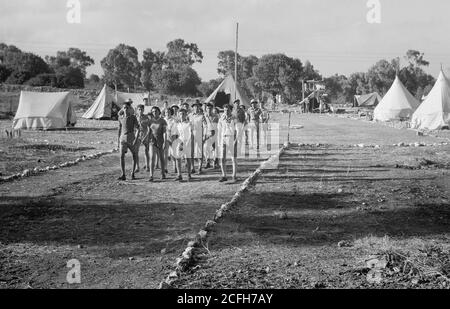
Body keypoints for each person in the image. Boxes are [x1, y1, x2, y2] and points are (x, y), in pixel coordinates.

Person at [117, 99, 140, 181]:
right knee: (121, 156)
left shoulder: (133, 117)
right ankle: (123, 174)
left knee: (134, 155)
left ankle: (132, 173)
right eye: (124, 108)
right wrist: (118, 140)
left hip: (131, 137)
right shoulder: (120, 118)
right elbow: (119, 129)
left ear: (130, 108)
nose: (125, 109)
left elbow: (138, 128)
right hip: (122, 138)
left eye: (127, 107)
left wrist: (136, 139)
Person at [218, 103, 237, 183]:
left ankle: (234, 175)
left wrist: (236, 140)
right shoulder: (221, 118)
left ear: (231, 110)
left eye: (228, 110)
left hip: (231, 137)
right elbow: (219, 130)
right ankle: (224, 175)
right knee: (222, 158)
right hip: (223, 138)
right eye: (225, 110)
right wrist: (219, 141)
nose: (226, 112)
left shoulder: (234, 118)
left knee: (233, 158)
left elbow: (238, 130)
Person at [173, 108, 193, 182]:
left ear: (186, 114)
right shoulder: (177, 124)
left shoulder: (189, 123)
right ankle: (179, 175)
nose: (182, 115)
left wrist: (186, 143)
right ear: (178, 115)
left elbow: (190, 134)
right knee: (178, 158)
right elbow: (176, 134)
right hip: (179, 143)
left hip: (187, 142)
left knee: (188, 159)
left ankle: (189, 174)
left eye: (183, 114)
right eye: (180, 114)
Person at [148, 106, 167, 182]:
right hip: (152, 141)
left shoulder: (163, 121)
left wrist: (165, 141)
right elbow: (149, 132)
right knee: (152, 157)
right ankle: (151, 175)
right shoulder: (150, 121)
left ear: (159, 112)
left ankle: (162, 173)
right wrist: (146, 140)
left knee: (162, 158)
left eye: (156, 111)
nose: (154, 112)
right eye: (153, 111)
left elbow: (165, 132)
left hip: (160, 141)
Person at [190, 101, 207, 174]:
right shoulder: (189, 115)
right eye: (195, 106)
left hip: (199, 134)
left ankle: (199, 167)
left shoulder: (202, 116)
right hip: (191, 134)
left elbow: (205, 126)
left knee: (200, 151)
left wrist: (204, 135)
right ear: (193, 107)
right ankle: (192, 167)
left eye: (197, 106)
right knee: (191, 151)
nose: (196, 108)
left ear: (199, 107)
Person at [135, 104, 151, 173]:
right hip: (138, 135)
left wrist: (146, 136)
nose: (140, 111)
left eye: (141, 109)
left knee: (146, 151)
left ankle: (147, 165)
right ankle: (137, 167)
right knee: (136, 151)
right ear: (137, 110)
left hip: (145, 134)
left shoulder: (146, 117)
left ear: (143, 110)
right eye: (139, 109)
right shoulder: (135, 117)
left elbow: (149, 128)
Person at [204, 103, 219, 169]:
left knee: (214, 149)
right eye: (207, 108)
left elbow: (217, 126)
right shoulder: (204, 116)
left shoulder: (216, 117)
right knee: (206, 148)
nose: (209, 110)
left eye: (210, 108)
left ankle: (215, 162)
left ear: (212, 109)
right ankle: (207, 162)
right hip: (207, 134)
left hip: (214, 134)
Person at [165, 107, 179, 174]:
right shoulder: (163, 119)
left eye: (168, 112)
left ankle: (175, 167)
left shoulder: (174, 120)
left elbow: (175, 130)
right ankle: (165, 168)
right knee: (165, 153)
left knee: (173, 153)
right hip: (164, 137)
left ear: (171, 113)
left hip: (172, 137)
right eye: (166, 112)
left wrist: (174, 138)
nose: (167, 113)